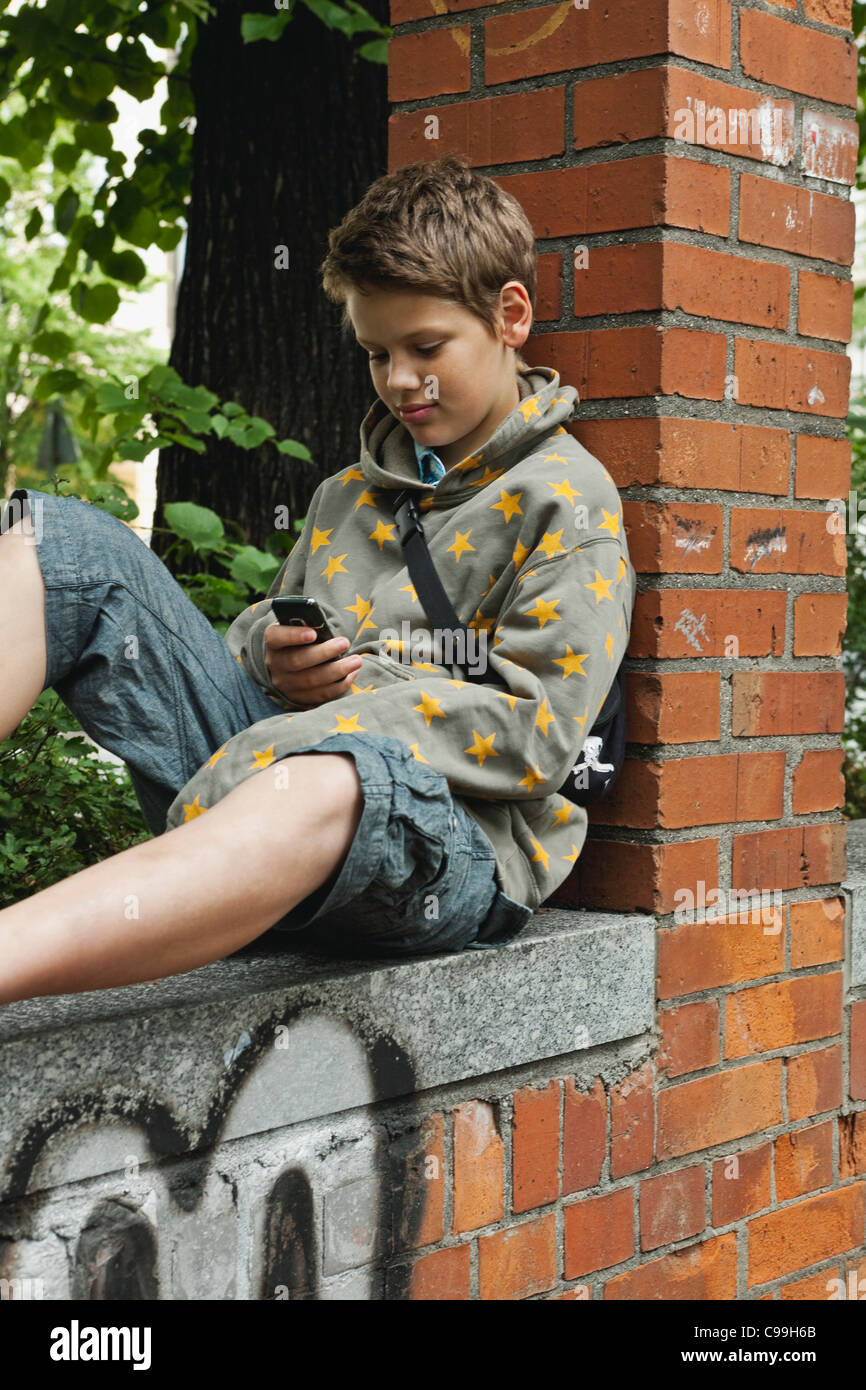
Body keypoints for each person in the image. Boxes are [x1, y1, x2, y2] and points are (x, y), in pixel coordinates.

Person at [0, 153, 636, 1005]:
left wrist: (325, 724)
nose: (399, 379)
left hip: (440, 843)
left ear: (509, 315)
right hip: (256, 788)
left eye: (425, 347)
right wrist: (272, 653)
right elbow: (249, 642)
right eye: (376, 353)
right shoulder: (345, 492)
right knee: (52, 538)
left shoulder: (566, 500)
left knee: (338, 772)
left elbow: (540, 734)